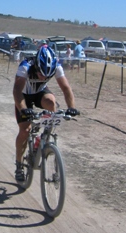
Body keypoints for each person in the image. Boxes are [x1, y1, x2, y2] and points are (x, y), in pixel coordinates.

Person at [13, 45, 78, 181]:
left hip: (39, 93)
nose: (44, 77)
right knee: (25, 130)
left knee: (51, 103)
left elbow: (66, 88)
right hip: (23, 95)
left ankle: (42, 139)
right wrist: (24, 109)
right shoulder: (25, 66)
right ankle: (19, 164)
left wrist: (71, 107)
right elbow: (17, 91)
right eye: (41, 74)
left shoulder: (57, 67)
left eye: (48, 75)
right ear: (36, 66)